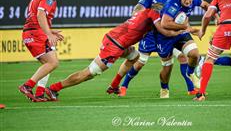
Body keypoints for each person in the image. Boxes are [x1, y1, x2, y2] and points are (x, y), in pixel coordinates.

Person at [45, 8, 184, 101]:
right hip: (114, 46)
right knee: (89, 73)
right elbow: (165, 31)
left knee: (135, 56)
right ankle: (54, 88)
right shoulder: (154, 14)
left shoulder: (144, 12)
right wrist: (184, 29)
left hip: (115, 40)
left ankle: (114, 85)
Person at [108, 0, 201, 98]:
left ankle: (189, 88)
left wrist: (186, 28)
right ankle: (124, 86)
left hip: (167, 34)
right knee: (140, 63)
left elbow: (182, 15)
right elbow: (137, 10)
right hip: (151, 34)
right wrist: (141, 18)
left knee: (179, 58)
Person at [155, 0, 210, 98]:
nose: (187, 1)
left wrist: (216, 16)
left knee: (194, 54)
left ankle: (190, 73)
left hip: (180, 34)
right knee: (167, 67)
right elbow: (165, 23)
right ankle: (164, 88)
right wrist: (185, 27)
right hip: (164, 37)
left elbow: (206, 6)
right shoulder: (172, 4)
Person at [19, 0, 64, 102]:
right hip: (36, 33)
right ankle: (27, 86)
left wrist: (49, 30)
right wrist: (48, 34)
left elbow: (34, 15)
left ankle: (39, 93)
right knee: (53, 62)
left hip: (30, 33)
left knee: (48, 64)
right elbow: (40, 14)